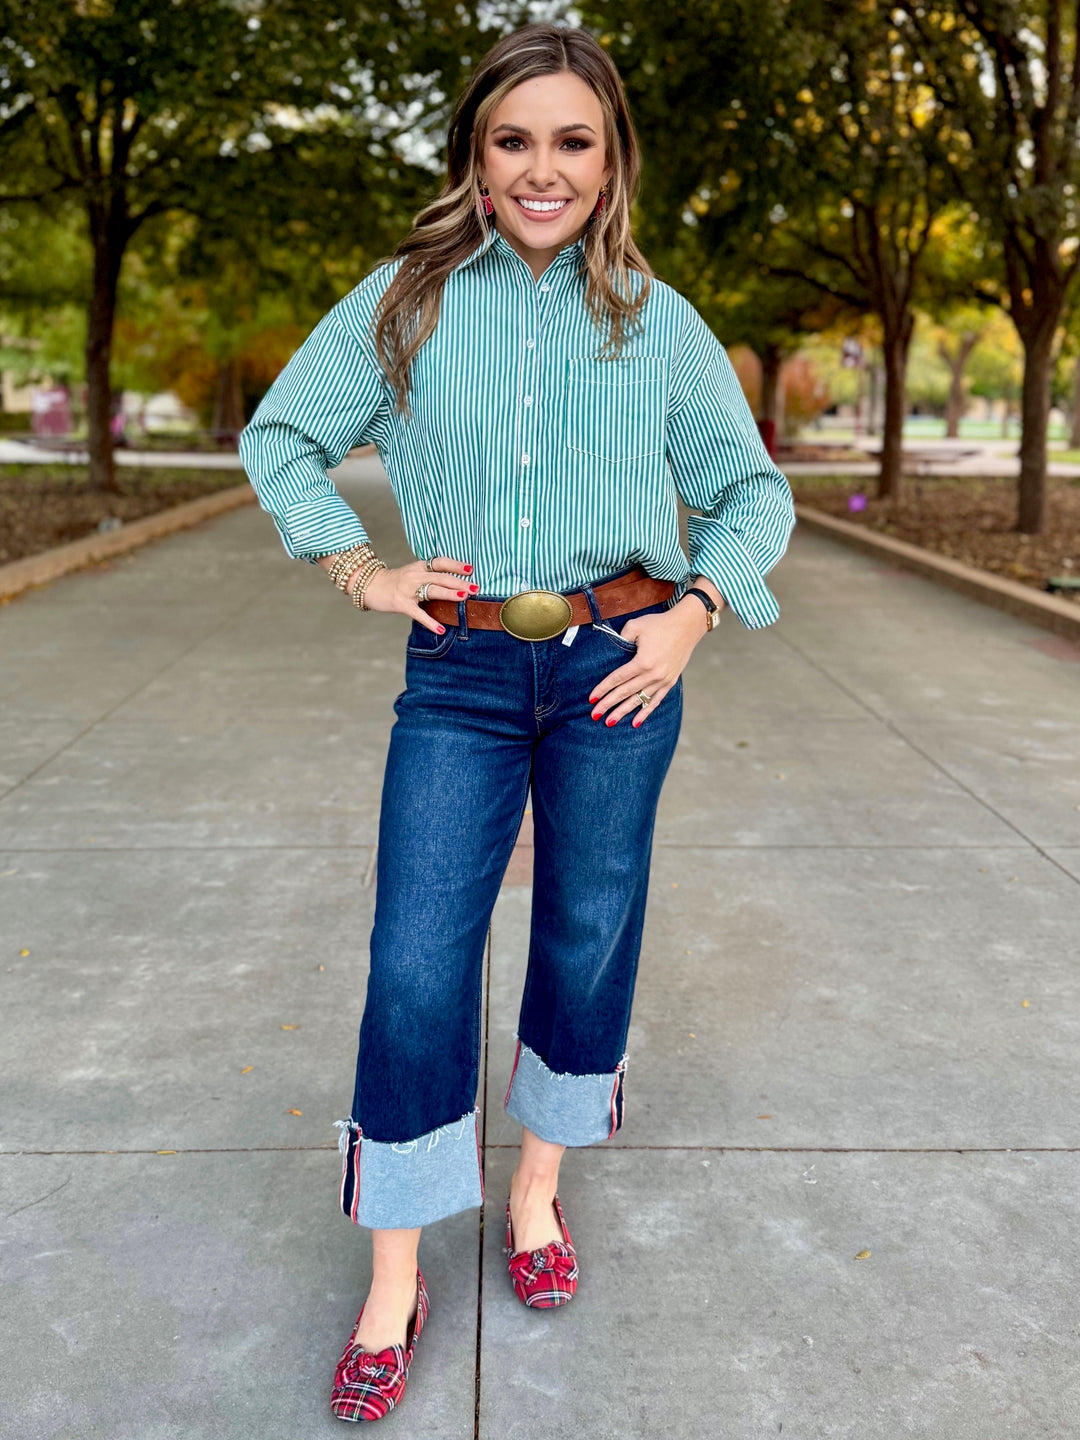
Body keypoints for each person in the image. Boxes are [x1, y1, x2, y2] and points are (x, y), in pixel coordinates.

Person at [238, 20, 796, 1424]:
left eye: (573, 142)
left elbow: (754, 493)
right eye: (514, 141)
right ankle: (394, 1274)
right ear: (474, 157)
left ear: (610, 163)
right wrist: (364, 570)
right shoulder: (406, 303)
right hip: (466, 674)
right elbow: (281, 437)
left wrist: (689, 618)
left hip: (621, 664)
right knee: (418, 957)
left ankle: (536, 1199)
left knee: (588, 930)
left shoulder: (655, 320)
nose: (543, 170)